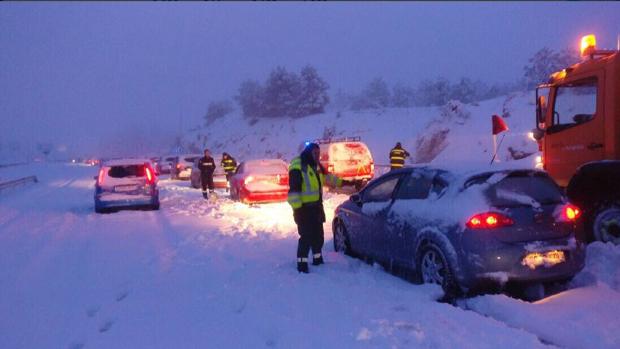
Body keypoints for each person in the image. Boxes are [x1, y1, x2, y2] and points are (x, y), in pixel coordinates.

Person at [288, 142, 353, 273]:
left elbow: (328, 178)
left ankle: (317, 259)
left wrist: (347, 182)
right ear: (308, 152)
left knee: (318, 236)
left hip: (316, 208)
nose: (318, 155)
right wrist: (298, 211)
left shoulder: (315, 165)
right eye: (315, 153)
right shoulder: (298, 166)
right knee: (306, 237)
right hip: (304, 209)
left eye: (318, 153)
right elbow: (294, 192)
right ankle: (302, 264)